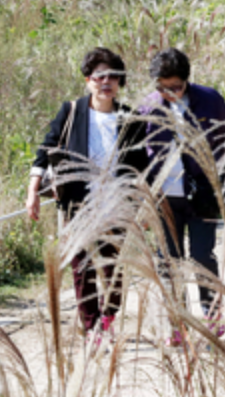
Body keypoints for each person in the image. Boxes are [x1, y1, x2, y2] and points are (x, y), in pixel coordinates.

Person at [25, 48, 147, 341]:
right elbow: (45, 149)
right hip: (78, 204)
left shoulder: (130, 118)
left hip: (116, 206)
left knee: (112, 268)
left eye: (113, 76)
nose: (106, 82)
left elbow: (141, 165)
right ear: (88, 80)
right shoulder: (72, 111)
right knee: (82, 267)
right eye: (99, 76)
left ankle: (108, 314)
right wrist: (33, 191)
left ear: (120, 81)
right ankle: (91, 328)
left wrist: (143, 205)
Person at [139, 48, 225, 343]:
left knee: (203, 256)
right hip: (165, 198)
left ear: (187, 80)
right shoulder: (147, 108)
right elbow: (140, 158)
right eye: (163, 88)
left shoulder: (211, 100)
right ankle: (177, 323)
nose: (170, 94)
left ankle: (211, 315)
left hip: (203, 193)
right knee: (169, 262)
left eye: (176, 87)